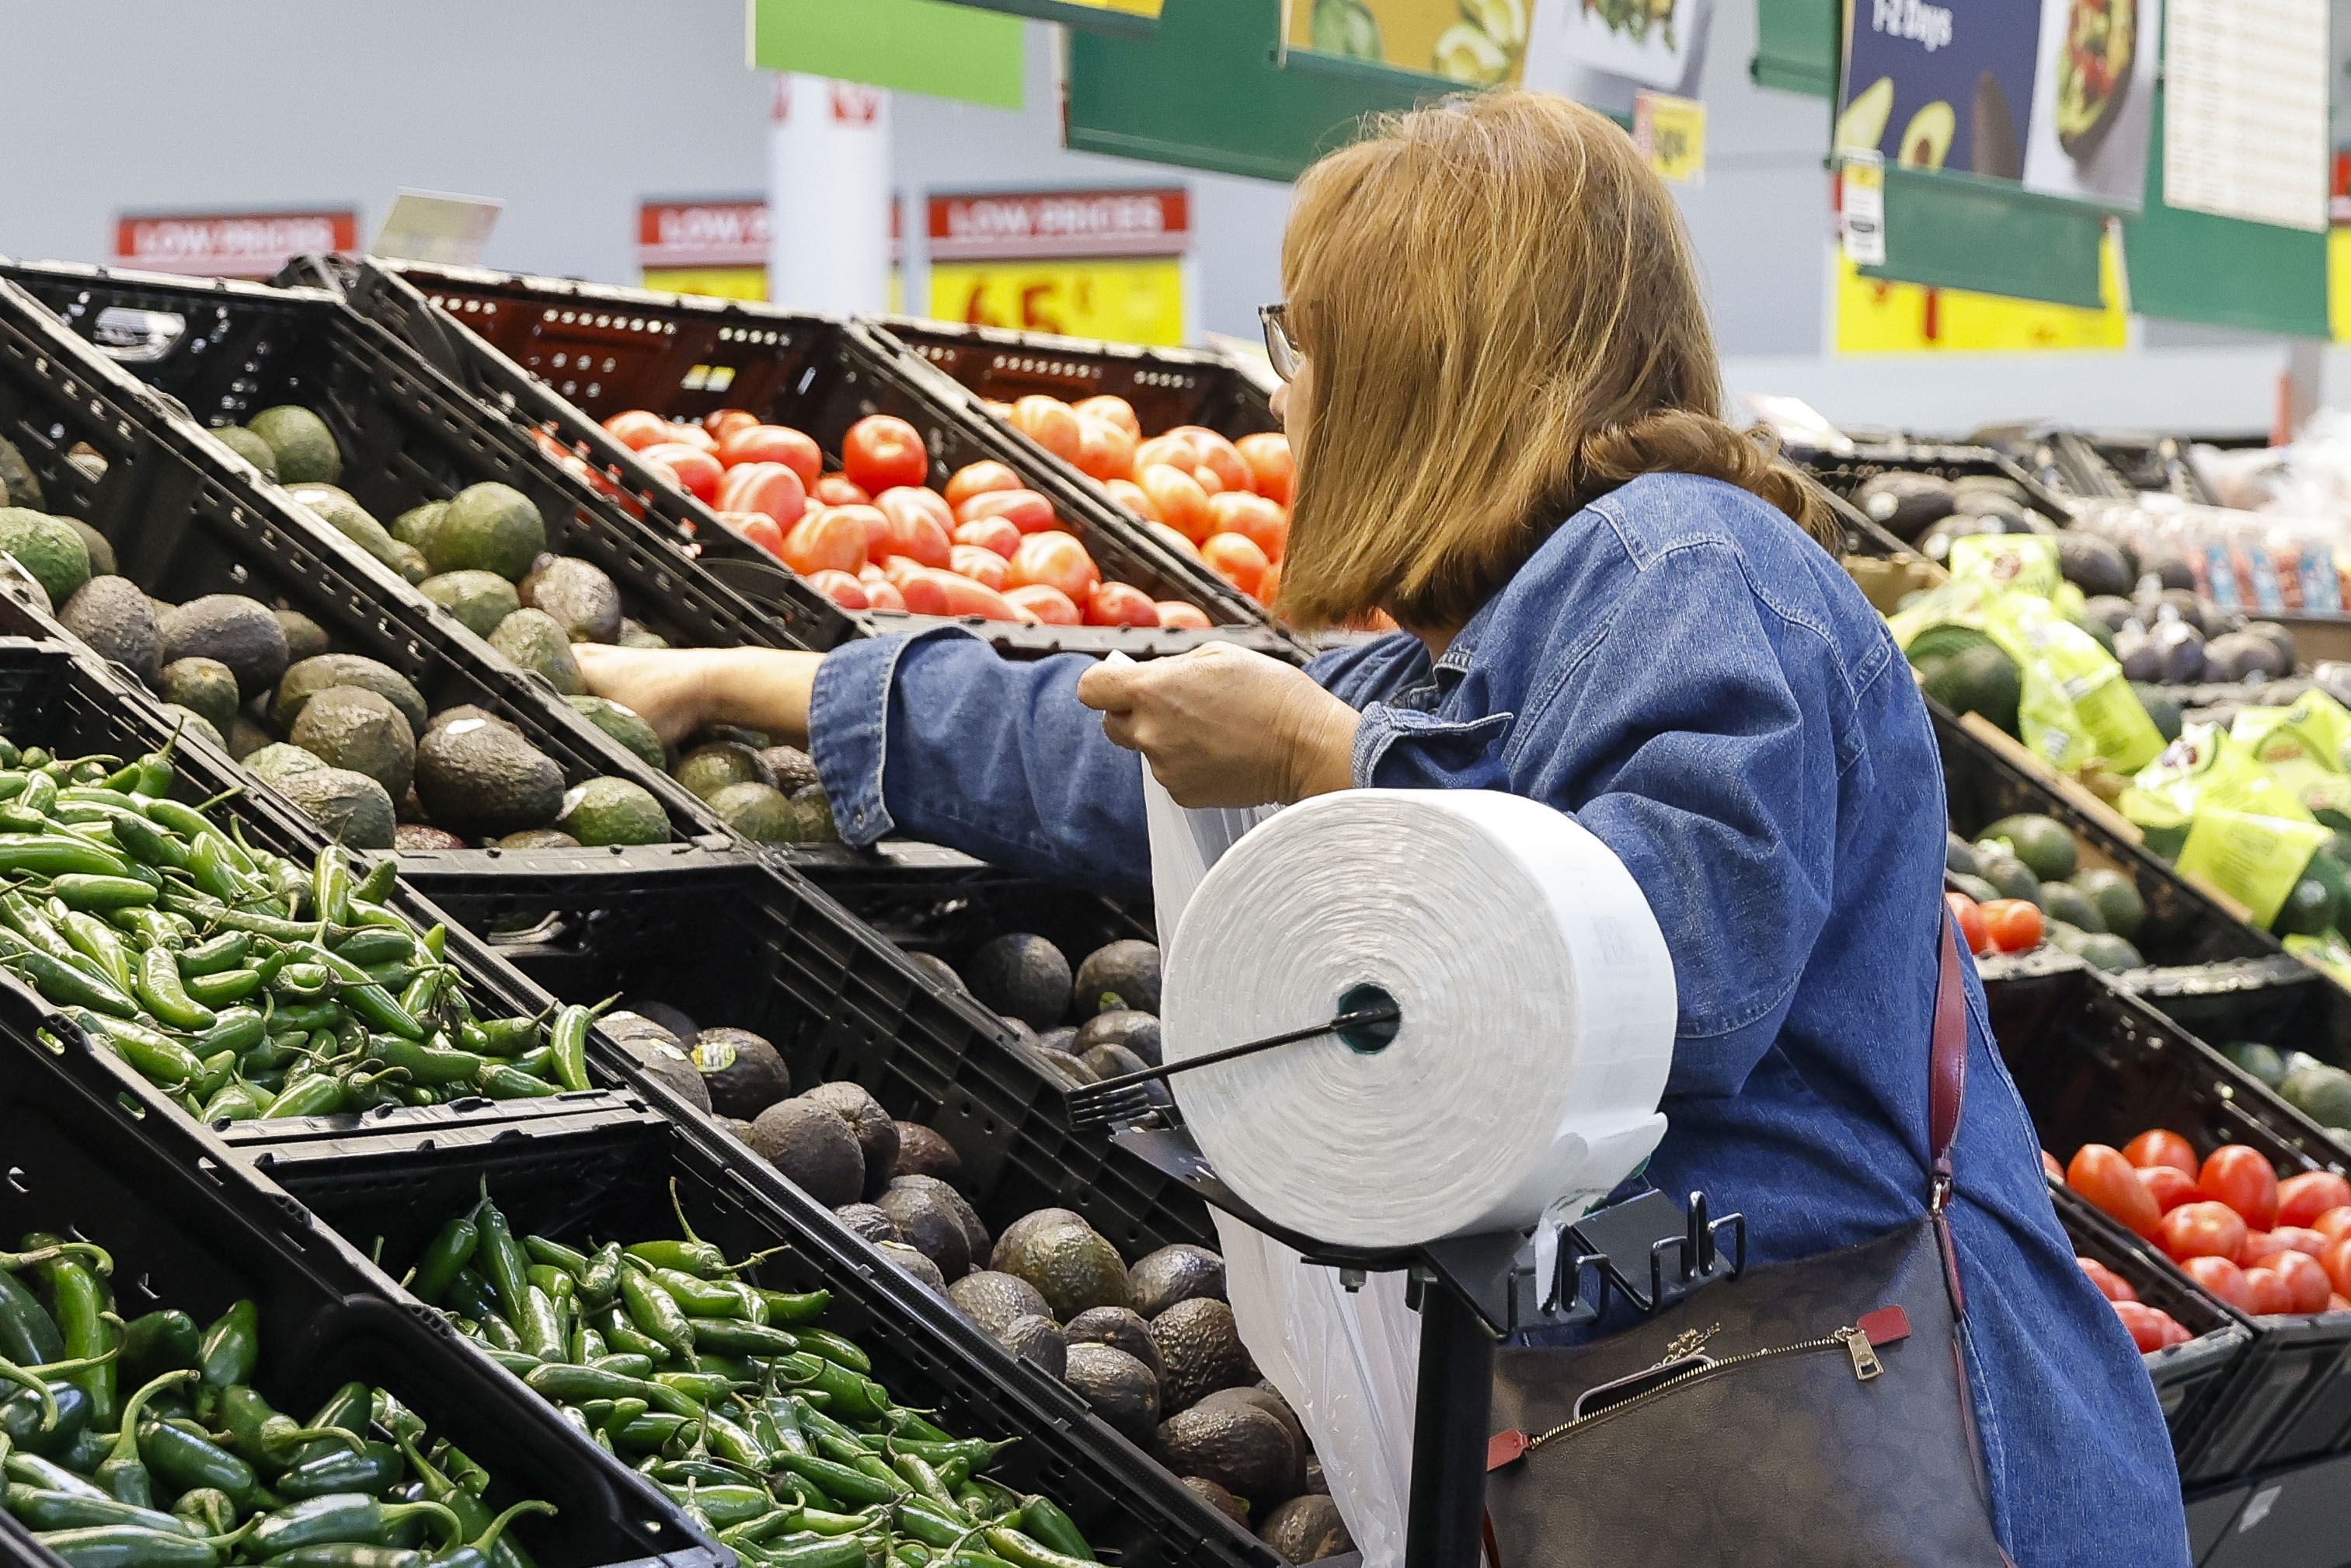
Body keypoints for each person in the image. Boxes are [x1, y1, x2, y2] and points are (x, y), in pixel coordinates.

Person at [580, 91, 2188, 1565]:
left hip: (1874, 1428)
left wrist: (1329, 754)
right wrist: (743, 680)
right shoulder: (1508, 623)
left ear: (1428, 349)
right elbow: (1115, 740)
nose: (1288, 378)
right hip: (1679, 1395)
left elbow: (1676, 970)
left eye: (1303, 332)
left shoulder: (1687, 566)